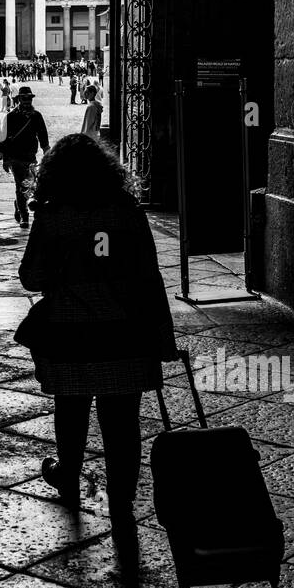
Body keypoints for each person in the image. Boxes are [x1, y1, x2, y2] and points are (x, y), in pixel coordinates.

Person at [16, 135, 177, 538]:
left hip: (70, 334)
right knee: (122, 420)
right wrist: (163, 335)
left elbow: (31, 278)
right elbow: (149, 278)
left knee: (70, 411)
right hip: (125, 333)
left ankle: (68, 476)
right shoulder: (127, 211)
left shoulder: (52, 217)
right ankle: (122, 494)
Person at [0, 85, 49, 228]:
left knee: (30, 186)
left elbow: (42, 134)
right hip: (15, 157)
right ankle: (24, 216)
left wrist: (46, 150)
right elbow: (5, 138)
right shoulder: (11, 116)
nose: (27, 102)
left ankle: (18, 204)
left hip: (30, 156)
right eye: (24, 99)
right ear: (19, 99)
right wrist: (6, 159)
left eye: (29, 99)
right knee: (21, 186)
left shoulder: (36, 116)